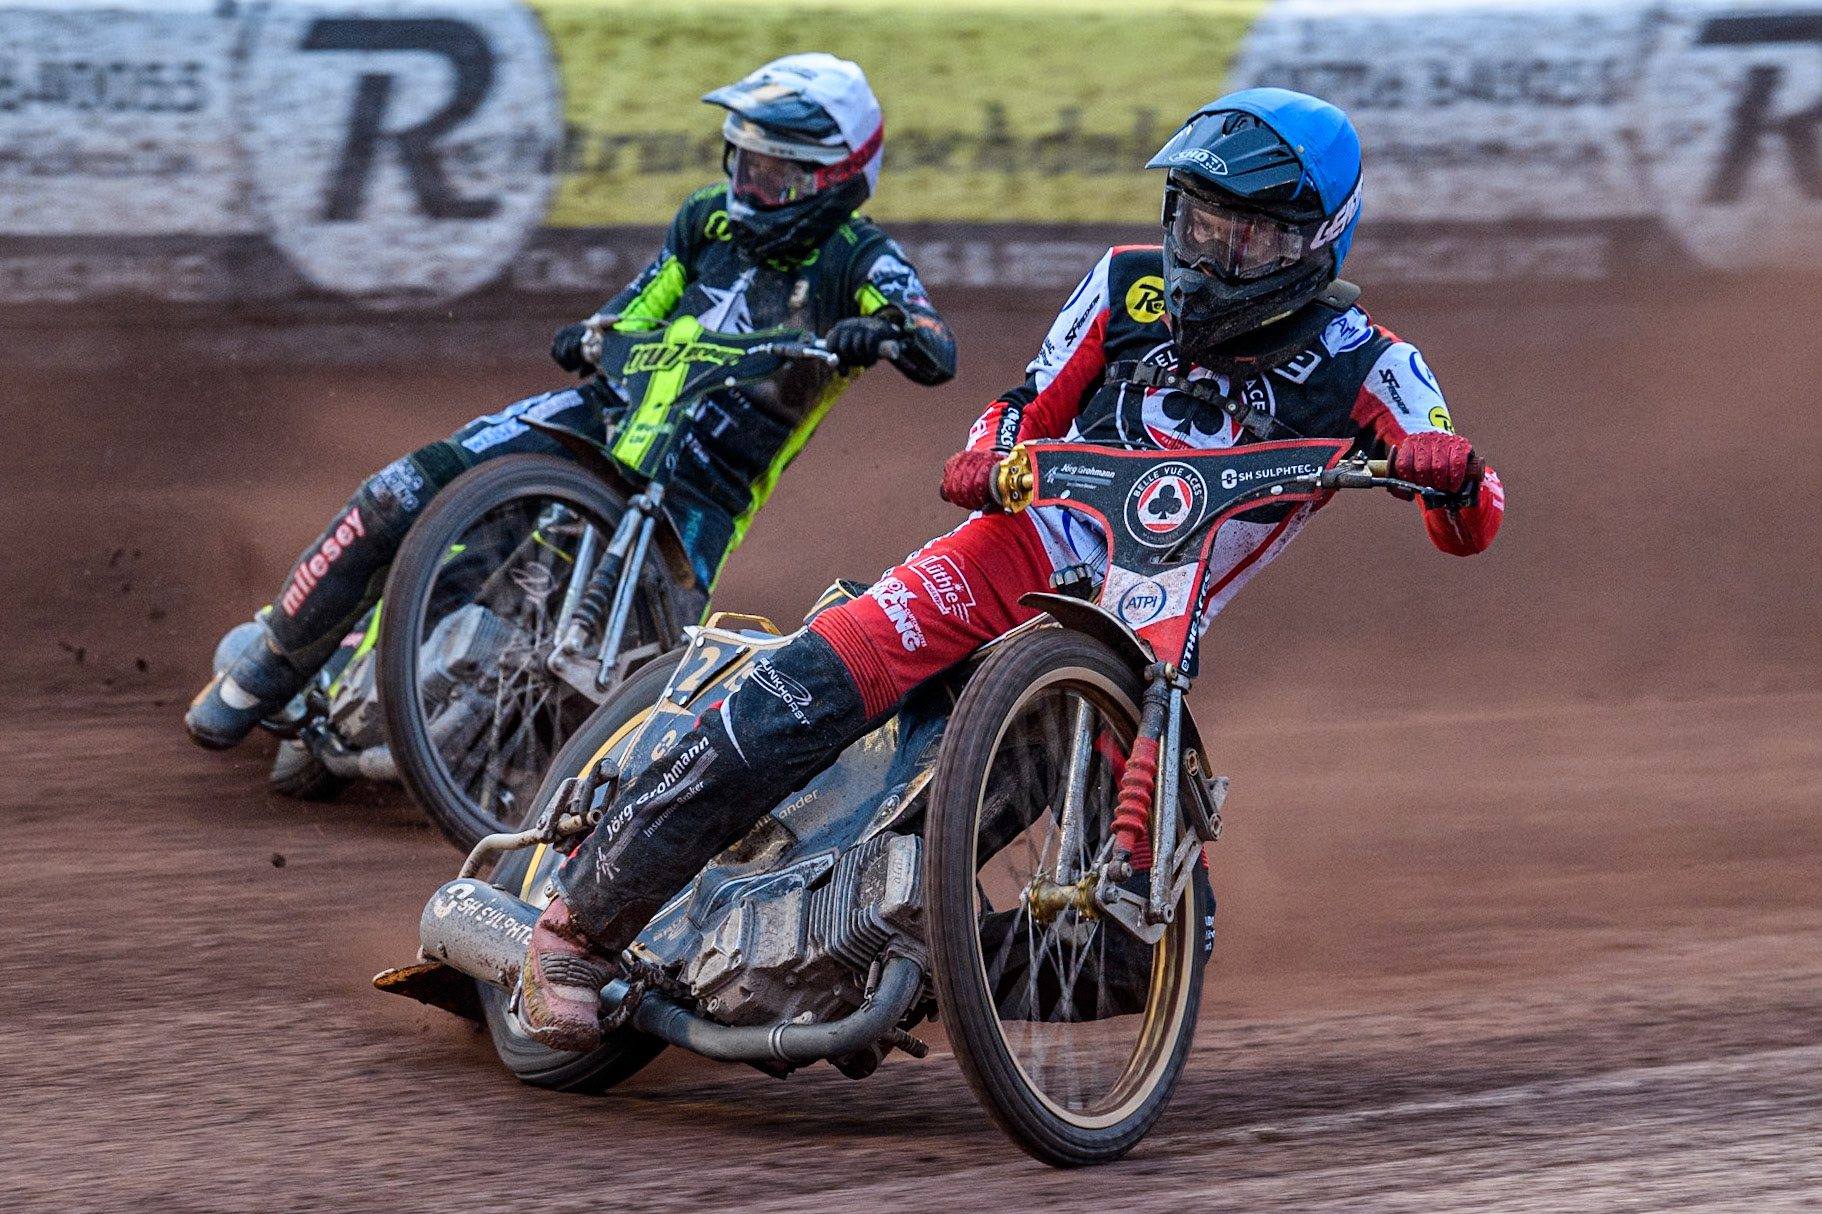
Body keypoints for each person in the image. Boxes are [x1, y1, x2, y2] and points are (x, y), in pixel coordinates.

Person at [516, 88, 1507, 1051]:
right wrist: (985, 457)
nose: (1212, 252)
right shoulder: (1126, 284)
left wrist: (1449, 475)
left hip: (1144, 628)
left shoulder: (1373, 363)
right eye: (1199, 223)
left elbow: (1467, 515)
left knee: (1148, 951)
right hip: (1017, 550)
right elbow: (1022, 401)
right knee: (815, 682)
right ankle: (571, 930)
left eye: (1243, 235)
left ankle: (894, 966)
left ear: (1315, 240)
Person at [185, 53, 957, 752]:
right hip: (598, 423)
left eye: (776, 177)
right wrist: (594, 333)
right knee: (402, 496)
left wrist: (881, 334)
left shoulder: (861, 257)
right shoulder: (707, 218)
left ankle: (464, 748)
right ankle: (269, 664)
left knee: (637, 725)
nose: (752, 189)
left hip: (698, 496)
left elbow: (933, 343)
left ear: (836, 178)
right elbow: (639, 303)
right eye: (745, 165)